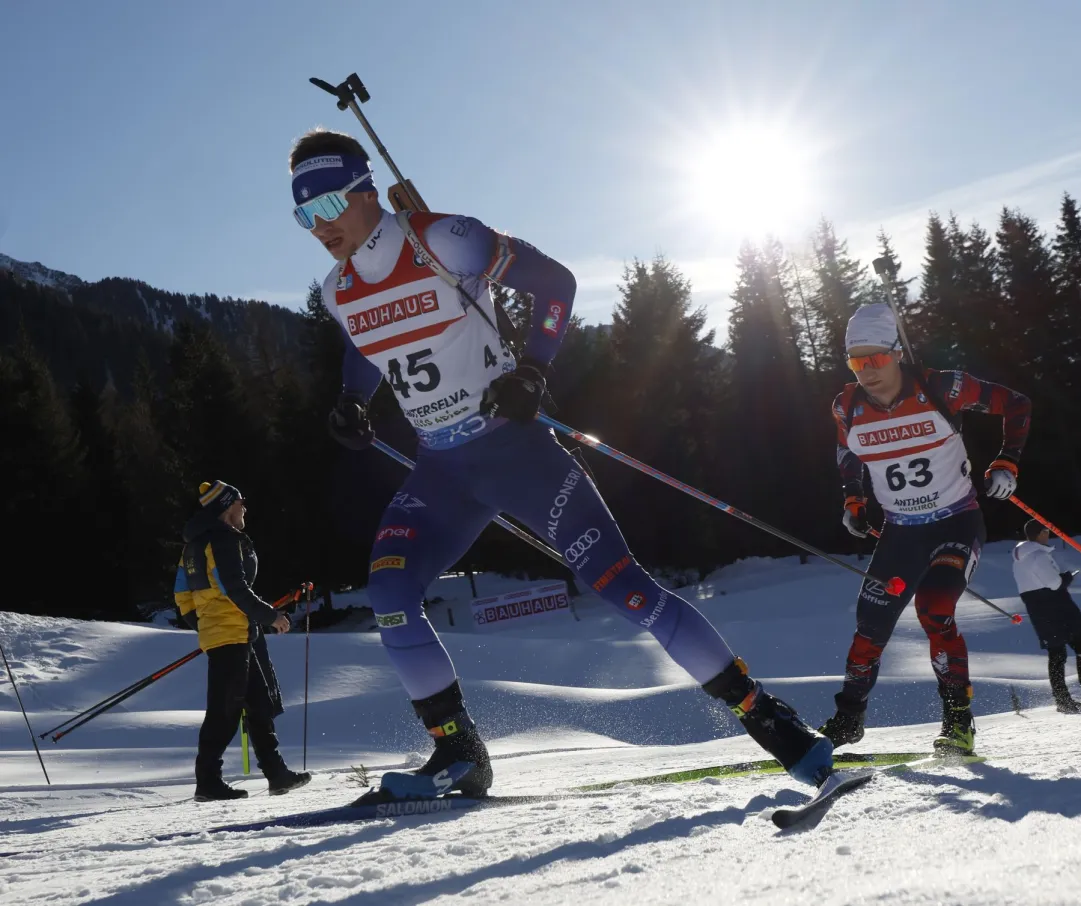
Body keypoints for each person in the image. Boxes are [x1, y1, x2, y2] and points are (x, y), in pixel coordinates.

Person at [288, 128, 835, 799]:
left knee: (627, 590)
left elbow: (555, 283)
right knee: (391, 597)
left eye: (325, 209)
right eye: (301, 216)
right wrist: (350, 399)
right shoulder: (336, 290)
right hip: (441, 472)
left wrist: (532, 371)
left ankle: (767, 719)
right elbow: (363, 346)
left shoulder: (442, 239)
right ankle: (457, 752)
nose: (317, 228)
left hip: (515, 453)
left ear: (364, 193)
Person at [820, 303, 1032, 755]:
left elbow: (1016, 404)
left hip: (956, 520)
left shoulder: (942, 387)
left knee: (935, 607)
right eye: (857, 362)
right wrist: (854, 499)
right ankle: (848, 718)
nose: (868, 371)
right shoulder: (847, 407)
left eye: (876, 358)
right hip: (901, 532)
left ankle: (958, 722)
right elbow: (847, 454)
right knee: (870, 625)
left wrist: (1007, 460)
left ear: (897, 353)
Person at [174, 480, 311, 801]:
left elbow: (182, 597)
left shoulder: (193, 545)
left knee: (259, 705)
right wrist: (270, 616)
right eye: (240, 502)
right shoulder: (222, 540)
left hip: (232, 633)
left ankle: (277, 775)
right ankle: (207, 781)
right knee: (224, 712)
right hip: (231, 635)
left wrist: (207, 625)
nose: (245, 507)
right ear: (226, 507)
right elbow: (235, 589)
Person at [1011, 519, 1081, 713]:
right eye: (1046, 530)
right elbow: (1054, 584)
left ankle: (1063, 700)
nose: (1049, 533)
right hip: (1057, 606)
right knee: (1076, 647)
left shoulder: (1020, 559)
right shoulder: (1037, 556)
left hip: (1039, 610)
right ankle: (1064, 701)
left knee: (1057, 654)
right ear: (1039, 533)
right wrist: (1067, 577)